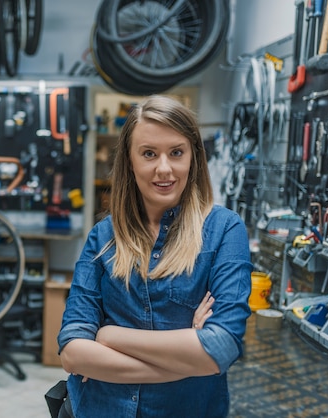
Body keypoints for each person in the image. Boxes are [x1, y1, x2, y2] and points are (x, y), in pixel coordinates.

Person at [56, 95, 253, 417]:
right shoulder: (103, 237)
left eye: (176, 152)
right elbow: (73, 352)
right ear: (130, 162)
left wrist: (109, 335)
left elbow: (220, 348)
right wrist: (188, 355)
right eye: (149, 153)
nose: (164, 168)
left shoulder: (224, 231)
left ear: (193, 158)